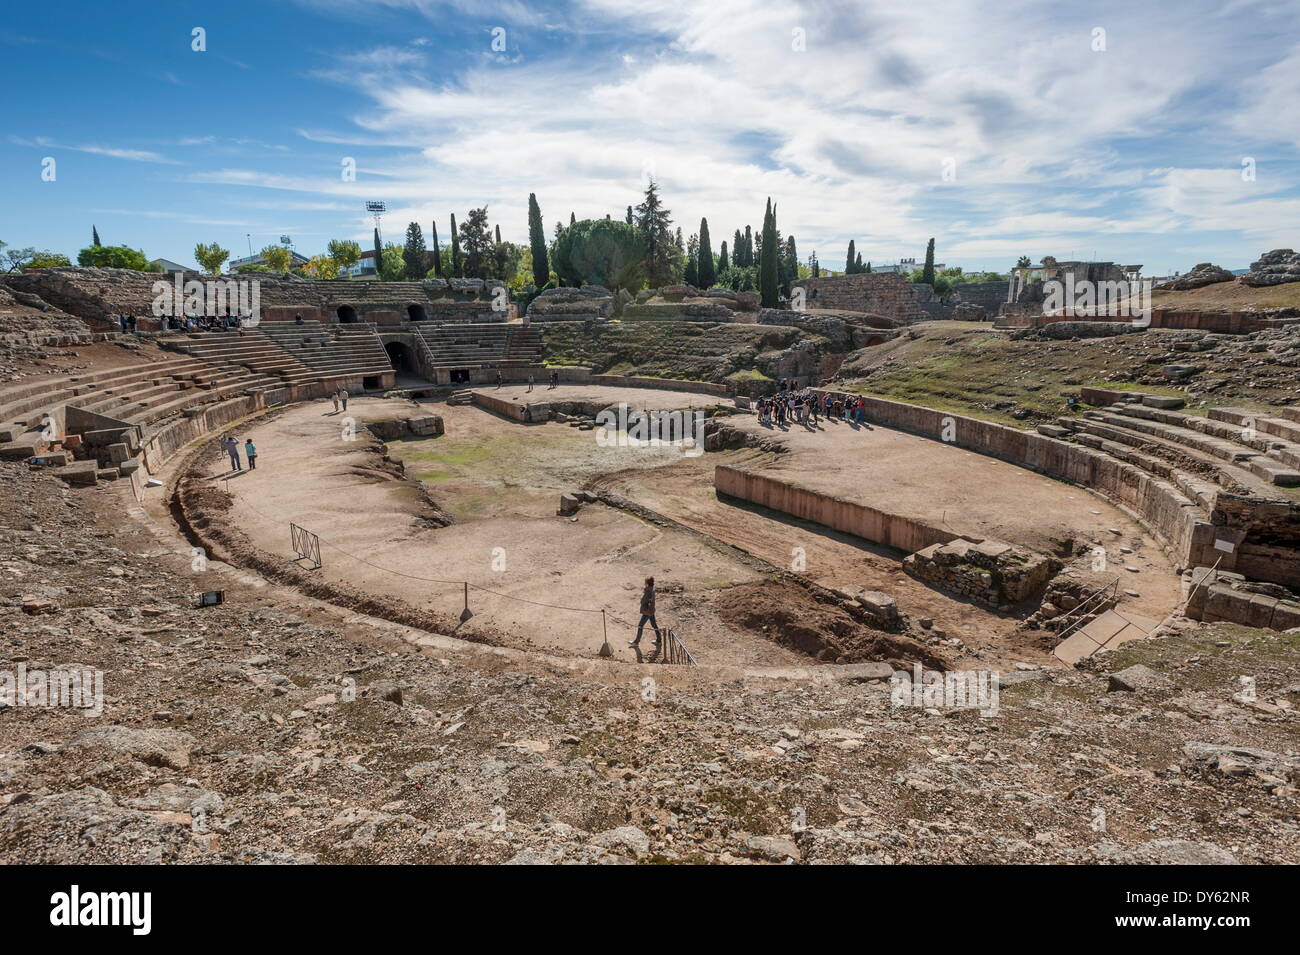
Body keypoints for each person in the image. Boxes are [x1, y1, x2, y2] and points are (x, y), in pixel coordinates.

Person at [629, 576, 661, 650]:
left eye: (645, 582)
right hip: (650, 611)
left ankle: (636, 642)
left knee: (640, 625)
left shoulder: (649, 592)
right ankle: (659, 640)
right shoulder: (650, 590)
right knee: (654, 625)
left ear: (647, 584)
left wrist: (647, 611)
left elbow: (649, 603)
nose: (644, 583)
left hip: (647, 612)